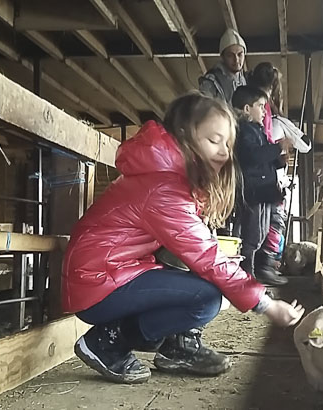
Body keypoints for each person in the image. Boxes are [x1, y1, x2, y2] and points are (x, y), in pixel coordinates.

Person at [62, 92, 304, 385]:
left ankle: (174, 346)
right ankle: (107, 342)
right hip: (96, 281)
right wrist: (266, 304)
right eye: (214, 140)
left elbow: (196, 251)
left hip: (112, 272)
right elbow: (207, 258)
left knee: (197, 277)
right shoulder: (164, 188)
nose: (224, 152)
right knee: (207, 298)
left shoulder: (168, 176)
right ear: (184, 136)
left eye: (227, 144)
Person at [231, 86, 287, 285]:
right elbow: (253, 156)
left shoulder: (257, 131)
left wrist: (279, 160)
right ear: (247, 109)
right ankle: (247, 279)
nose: (264, 111)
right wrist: (278, 147)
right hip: (254, 190)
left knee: (260, 234)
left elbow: (262, 158)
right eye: (261, 106)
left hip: (263, 190)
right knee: (252, 236)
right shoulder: (244, 131)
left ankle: (249, 277)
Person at [198, 28, 247, 104]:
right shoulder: (211, 82)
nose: (236, 60)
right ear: (223, 57)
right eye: (230, 55)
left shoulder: (244, 78)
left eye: (240, 54)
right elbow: (204, 109)